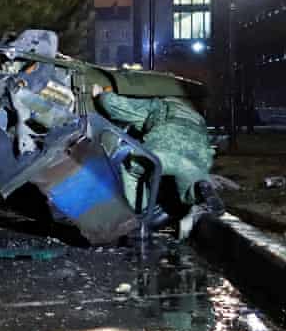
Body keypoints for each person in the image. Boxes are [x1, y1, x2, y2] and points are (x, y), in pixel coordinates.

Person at [93, 86, 222, 235]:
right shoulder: (198, 118)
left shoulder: (160, 106)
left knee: (132, 169)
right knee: (187, 184)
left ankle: (139, 216)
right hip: (198, 158)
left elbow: (116, 106)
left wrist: (102, 94)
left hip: (163, 150)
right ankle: (197, 190)